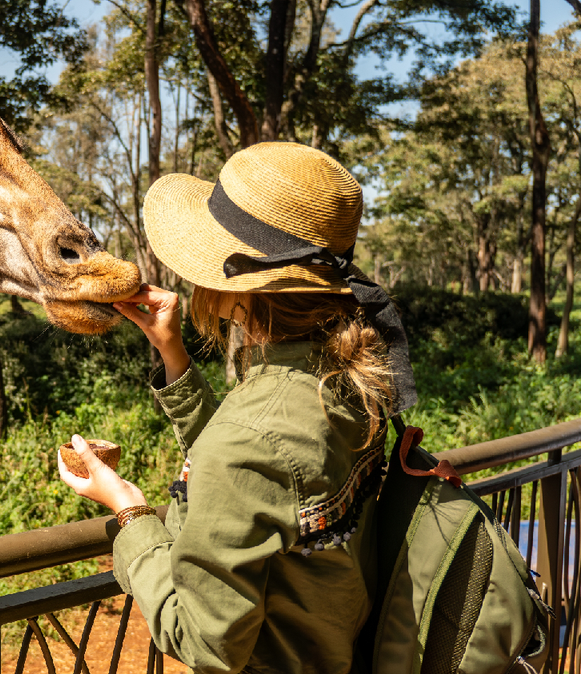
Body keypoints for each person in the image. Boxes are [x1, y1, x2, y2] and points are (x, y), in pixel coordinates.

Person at [58, 141, 417, 674]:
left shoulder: (254, 433)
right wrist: (173, 354)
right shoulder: (347, 378)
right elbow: (258, 481)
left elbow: (204, 641)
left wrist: (130, 513)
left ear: (242, 285)